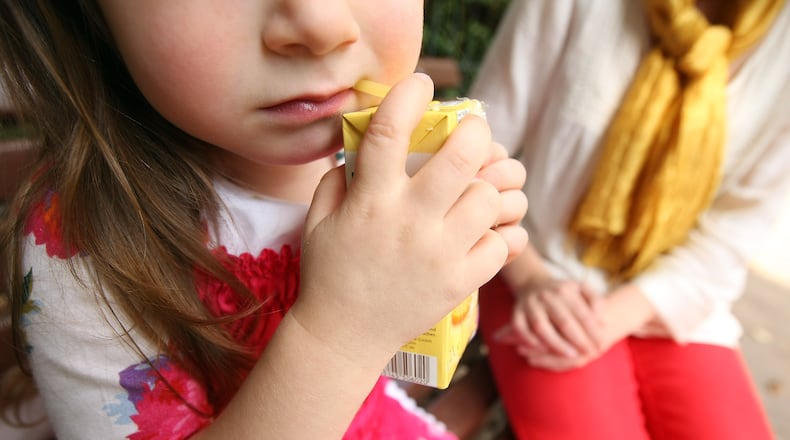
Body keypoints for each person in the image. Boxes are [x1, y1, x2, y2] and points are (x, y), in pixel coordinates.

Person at [0, 1, 529, 439]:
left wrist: (459, 239)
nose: (321, 25)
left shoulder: (364, 153)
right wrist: (342, 333)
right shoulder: (77, 244)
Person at [469, 0, 790, 439]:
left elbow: (736, 229)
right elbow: (478, 150)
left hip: (677, 296)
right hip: (534, 267)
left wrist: (605, 322)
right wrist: (532, 281)